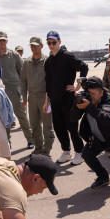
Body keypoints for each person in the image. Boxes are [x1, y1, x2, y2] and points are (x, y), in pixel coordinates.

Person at [43, 30, 88, 164]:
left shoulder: (67, 56)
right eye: (49, 43)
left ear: (59, 42)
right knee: (58, 127)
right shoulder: (49, 61)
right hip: (54, 100)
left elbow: (84, 67)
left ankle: (79, 152)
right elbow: (48, 82)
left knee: (72, 127)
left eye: (54, 42)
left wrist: (77, 86)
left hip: (68, 98)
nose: (51, 45)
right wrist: (46, 102)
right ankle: (66, 151)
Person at [0, 31, 33, 148]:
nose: (2, 42)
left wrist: (23, 90)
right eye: (0, 40)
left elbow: (23, 73)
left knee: (22, 115)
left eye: (4, 40)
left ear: (7, 41)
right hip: (1, 91)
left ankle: (30, 140)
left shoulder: (14, 55)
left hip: (15, 89)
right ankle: (7, 142)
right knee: (4, 116)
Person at [21, 36, 55, 156]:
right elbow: (23, 81)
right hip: (32, 97)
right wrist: (24, 97)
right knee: (34, 124)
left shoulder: (48, 61)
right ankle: (38, 147)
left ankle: (47, 149)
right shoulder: (27, 62)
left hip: (44, 97)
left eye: (36, 45)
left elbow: (52, 81)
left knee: (47, 125)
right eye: (32, 46)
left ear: (41, 46)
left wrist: (49, 98)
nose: (34, 48)